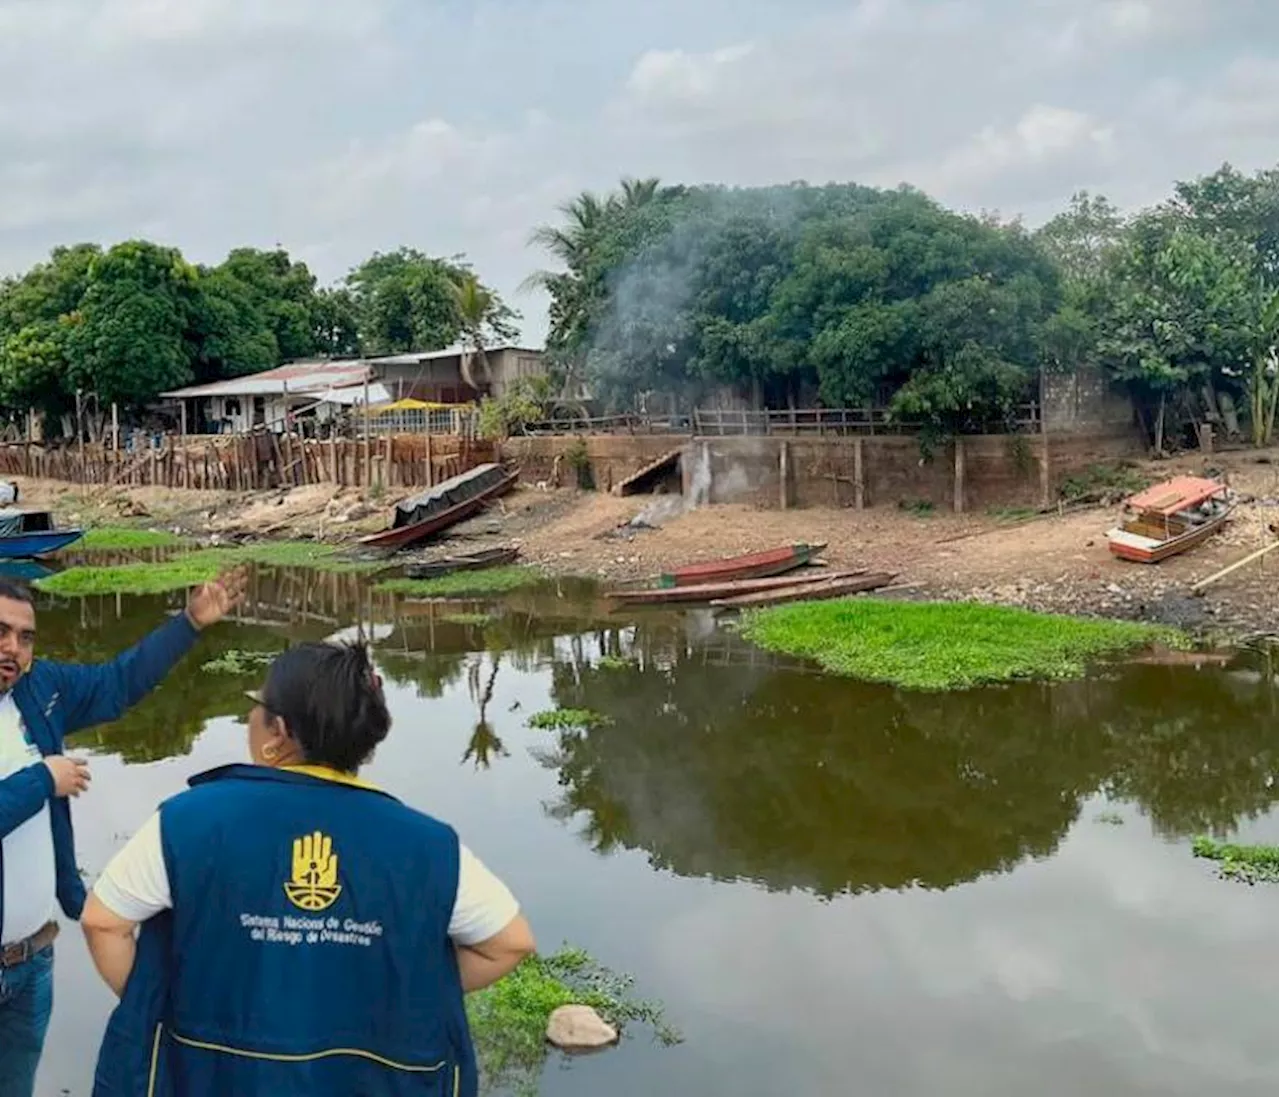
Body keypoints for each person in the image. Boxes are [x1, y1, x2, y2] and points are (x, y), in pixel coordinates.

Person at [83, 640, 534, 1097]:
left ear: (277, 731)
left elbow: (103, 922)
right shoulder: (431, 845)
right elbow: (509, 943)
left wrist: (156, 1006)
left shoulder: (188, 820)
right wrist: (395, 990)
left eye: (256, 707)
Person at [0, 570, 247, 1097]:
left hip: (30, 962)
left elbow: (117, 683)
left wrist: (188, 624)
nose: (13, 649)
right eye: (0, 632)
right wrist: (43, 778)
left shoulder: (39, 689)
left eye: (24, 637)